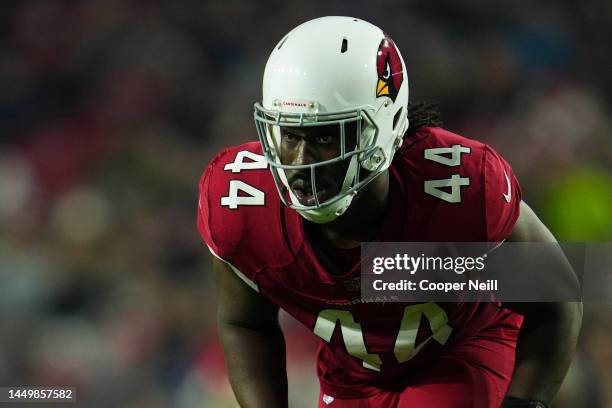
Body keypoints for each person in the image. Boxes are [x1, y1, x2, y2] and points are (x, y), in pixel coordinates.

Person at [197, 16, 582, 408]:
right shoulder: (242, 206)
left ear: (385, 126)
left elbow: (558, 298)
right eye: (289, 135)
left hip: (461, 352)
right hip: (352, 378)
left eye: (327, 136)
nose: (299, 162)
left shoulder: (457, 192)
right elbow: (245, 322)